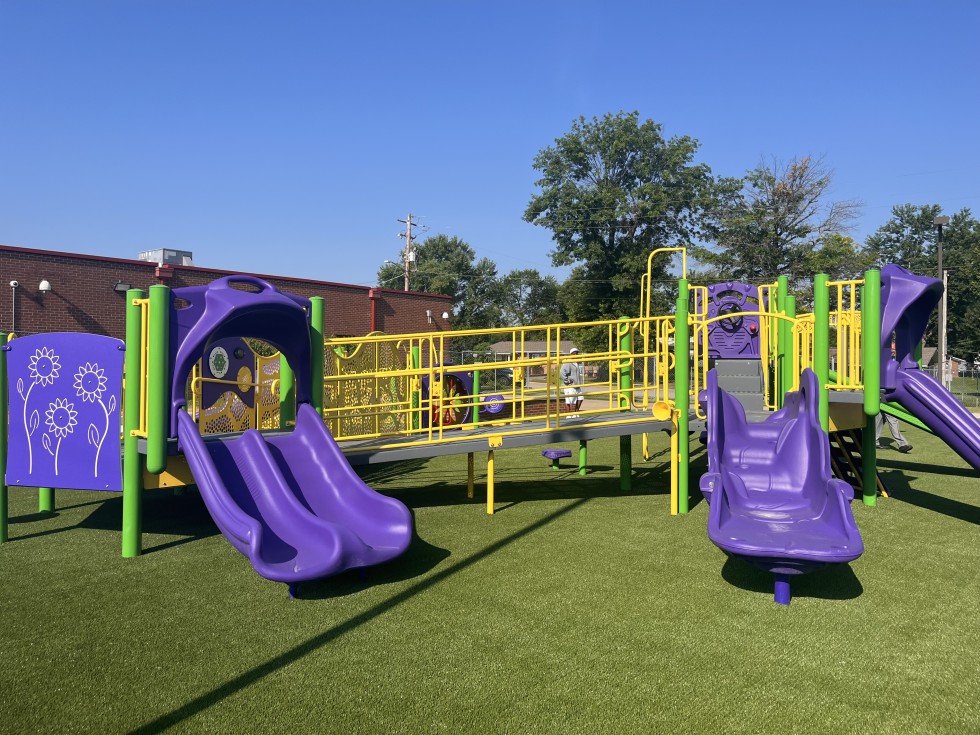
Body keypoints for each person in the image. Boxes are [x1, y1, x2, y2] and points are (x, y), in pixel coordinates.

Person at [559, 347, 583, 416]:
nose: (576, 354)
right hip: (570, 385)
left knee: (581, 398)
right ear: (571, 354)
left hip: (577, 384)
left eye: (577, 353)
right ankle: (568, 416)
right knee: (569, 402)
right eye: (575, 353)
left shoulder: (577, 363)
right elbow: (562, 371)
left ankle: (576, 413)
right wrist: (567, 380)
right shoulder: (568, 362)